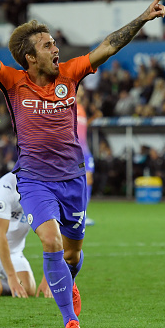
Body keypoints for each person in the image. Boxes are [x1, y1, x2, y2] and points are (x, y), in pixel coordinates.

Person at [0, 0, 165, 328]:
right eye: (48, 45)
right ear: (30, 58)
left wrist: (143, 17)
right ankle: (71, 323)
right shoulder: (12, 81)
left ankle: (70, 283)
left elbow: (109, 45)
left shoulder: (70, 74)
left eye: (54, 43)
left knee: (71, 254)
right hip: (34, 180)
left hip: (73, 179)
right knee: (49, 240)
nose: (56, 49)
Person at [75, 85, 95, 226]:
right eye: (79, 87)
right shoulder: (67, 107)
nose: (81, 90)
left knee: (88, 179)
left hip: (85, 151)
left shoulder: (81, 108)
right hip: (74, 151)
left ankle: (83, 214)